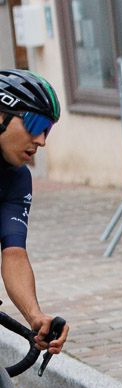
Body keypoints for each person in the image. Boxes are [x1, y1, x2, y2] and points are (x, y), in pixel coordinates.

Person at [0, 70, 67, 355]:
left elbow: (13, 254)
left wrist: (35, 316)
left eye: (47, 129)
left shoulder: (17, 178)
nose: (41, 140)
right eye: (35, 123)